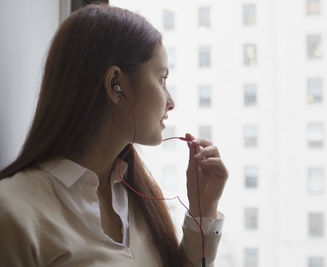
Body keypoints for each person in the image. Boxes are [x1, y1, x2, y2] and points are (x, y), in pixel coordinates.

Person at [0, 3, 228, 267]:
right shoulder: (13, 212)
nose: (171, 101)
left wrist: (203, 214)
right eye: (162, 79)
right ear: (115, 85)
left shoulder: (138, 198)